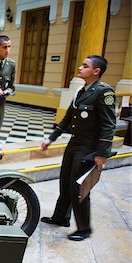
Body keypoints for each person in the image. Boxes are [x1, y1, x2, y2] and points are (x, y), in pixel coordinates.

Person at [40, 55, 116, 241]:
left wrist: (101, 154)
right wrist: (51, 138)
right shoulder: (82, 91)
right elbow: (68, 119)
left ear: (96, 71)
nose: (80, 68)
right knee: (65, 182)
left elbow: (108, 125)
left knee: (79, 188)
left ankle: (84, 229)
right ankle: (61, 217)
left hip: (89, 147)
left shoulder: (104, 93)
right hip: (74, 144)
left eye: (85, 66)